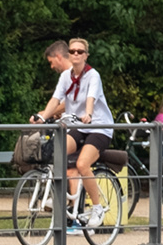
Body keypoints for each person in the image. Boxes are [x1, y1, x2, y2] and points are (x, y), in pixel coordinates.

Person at [29, 37, 114, 226]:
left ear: (86, 55)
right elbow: (56, 99)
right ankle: (62, 197)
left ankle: (97, 209)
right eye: (73, 51)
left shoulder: (93, 76)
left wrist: (89, 114)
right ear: (68, 54)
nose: (76, 54)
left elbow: (90, 98)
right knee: (57, 153)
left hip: (98, 126)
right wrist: (42, 117)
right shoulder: (66, 76)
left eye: (80, 51)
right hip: (78, 126)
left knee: (83, 164)